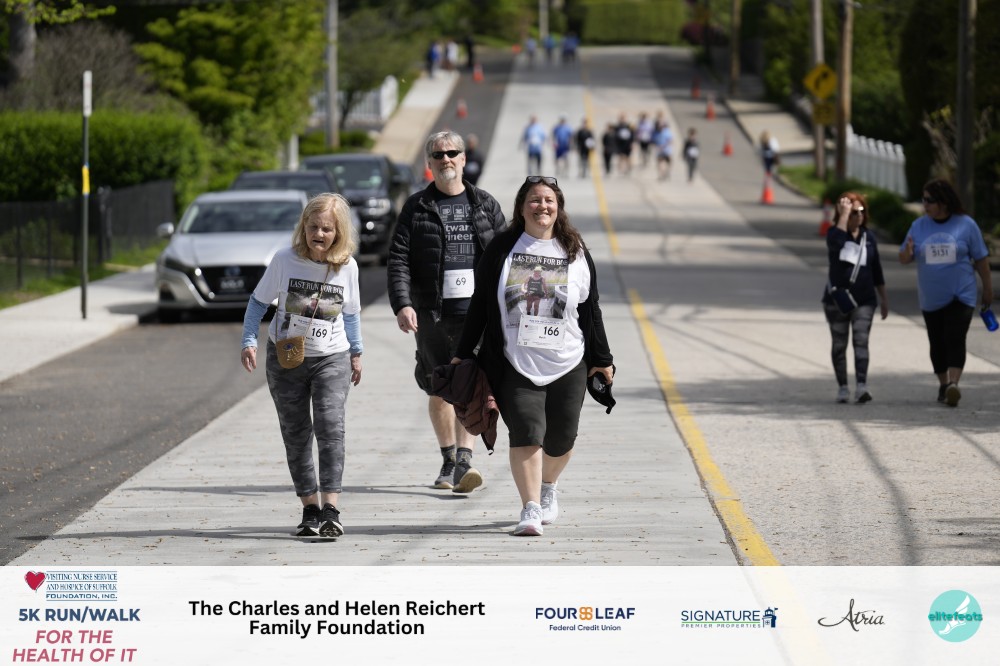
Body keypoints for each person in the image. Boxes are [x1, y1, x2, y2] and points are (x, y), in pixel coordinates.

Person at [453, 176, 615, 537]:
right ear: (521, 207)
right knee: (526, 431)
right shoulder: (502, 249)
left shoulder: (575, 251)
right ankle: (529, 508)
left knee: (562, 438)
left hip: (568, 360)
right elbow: (480, 304)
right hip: (514, 361)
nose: (542, 206)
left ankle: (548, 486)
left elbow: (590, 308)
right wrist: (462, 353)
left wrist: (602, 358)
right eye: (534, 200)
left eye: (549, 201)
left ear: (559, 208)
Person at [388, 131, 508, 491]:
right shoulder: (416, 207)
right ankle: (448, 459)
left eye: (452, 153)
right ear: (429, 162)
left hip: (477, 315)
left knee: (471, 384)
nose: (446, 160)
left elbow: (505, 257)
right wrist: (403, 304)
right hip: (432, 315)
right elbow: (398, 259)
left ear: (463, 158)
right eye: (438, 155)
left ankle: (465, 461)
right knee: (438, 388)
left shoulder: (484, 204)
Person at [240, 193, 363, 538]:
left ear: (338, 232)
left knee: (330, 425)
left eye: (327, 229)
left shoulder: (347, 267)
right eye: (313, 227)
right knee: (295, 433)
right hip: (286, 359)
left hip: (331, 357)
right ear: (303, 227)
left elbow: (351, 313)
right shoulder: (284, 260)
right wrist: (249, 340)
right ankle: (310, 508)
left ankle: (331, 509)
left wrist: (357, 352)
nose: (318, 234)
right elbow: (257, 302)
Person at [898, 179, 993, 407]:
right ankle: (943, 384)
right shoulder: (918, 226)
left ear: (944, 201)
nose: (925, 204)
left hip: (962, 294)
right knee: (937, 342)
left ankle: (953, 384)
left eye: (930, 200)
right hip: (931, 297)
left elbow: (981, 259)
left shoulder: (966, 225)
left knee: (955, 337)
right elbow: (903, 257)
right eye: (923, 199)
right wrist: (907, 253)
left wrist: (987, 289)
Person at [821, 192, 889, 404]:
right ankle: (843, 387)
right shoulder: (834, 233)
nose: (858, 215)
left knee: (861, 341)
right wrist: (843, 215)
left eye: (861, 211)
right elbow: (836, 244)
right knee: (839, 345)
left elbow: (876, 269)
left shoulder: (869, 238)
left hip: (864, 299)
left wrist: (884, 298)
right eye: (853, 212)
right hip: (837, 300)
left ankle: (861, 386)